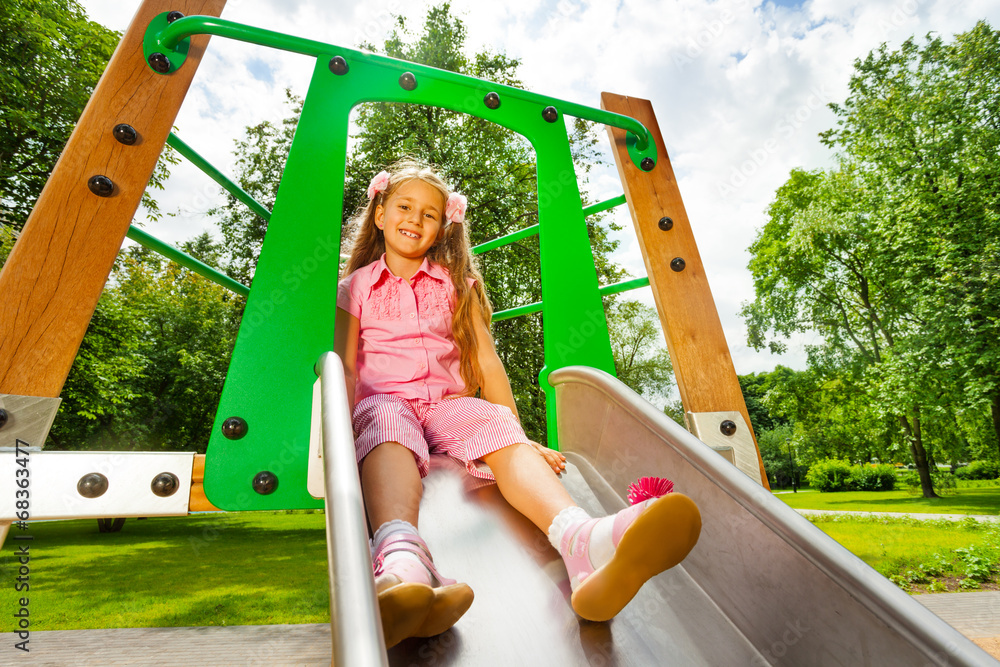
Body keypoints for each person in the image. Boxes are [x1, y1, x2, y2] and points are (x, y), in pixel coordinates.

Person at [334, 160, 701, 648]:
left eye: (429, 214)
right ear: (379, 212)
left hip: (447, 403)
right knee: (384, 426)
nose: (415, 219)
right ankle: (404, 564)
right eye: (404, 207)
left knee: (491, 422)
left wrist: (521, 436)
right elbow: (347, 368)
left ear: (444, 226)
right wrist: (336, 443)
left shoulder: (455, 284)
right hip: (385, 401)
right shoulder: (354, 287)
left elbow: (486, 362)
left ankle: (581, 541)